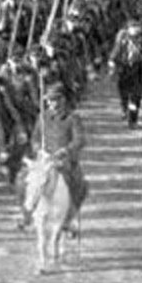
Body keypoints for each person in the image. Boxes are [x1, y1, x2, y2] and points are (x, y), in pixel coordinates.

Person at [28, 82, 88, 235]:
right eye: (49, 100)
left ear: (63, 100)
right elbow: (35, 138)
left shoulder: (72, 118)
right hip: (45, 158)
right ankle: (28, 215)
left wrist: (66, 150)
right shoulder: (43, 117)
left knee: (76, 185)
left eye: (55, 100)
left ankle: (70, 219)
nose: (52, 103)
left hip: (64, 159)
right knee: (23, 180)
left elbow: (80, 140)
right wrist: (39, 149)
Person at [109, 14, 142, 128]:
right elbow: (116, 51)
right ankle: (124, 108)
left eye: (136, 26)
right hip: (124, 70)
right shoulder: (123, 39)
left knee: (135, 97)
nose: (135, 29)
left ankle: (133, 120)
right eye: (132, 27)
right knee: (123, 94)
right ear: (128, 28)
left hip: (138, 71)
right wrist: (112, 61)